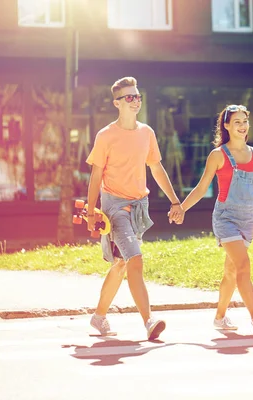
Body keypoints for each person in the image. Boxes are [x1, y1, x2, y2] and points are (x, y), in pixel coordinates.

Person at [85, 77, 184, 340]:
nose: (135, 101)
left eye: (138, 96)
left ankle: (99, 317)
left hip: (139, 206)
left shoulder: (146, 133)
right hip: (114, 206)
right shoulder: (106, 135)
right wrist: (91, 211)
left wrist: (175, 201)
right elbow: (96, 175)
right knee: (135, 259)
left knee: (120, 264)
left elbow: (156, 168)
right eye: (129, 97)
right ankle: (149, 321)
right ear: (117, 103)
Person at [177, 104, 253, 332]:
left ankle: (220, 318)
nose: (242, 126)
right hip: (225, 217)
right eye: (236, 122)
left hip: (247, 219)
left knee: (231, 271)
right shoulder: (218, 155)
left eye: (244, 121)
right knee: (243, 265)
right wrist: (182, 208)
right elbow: (201, 188)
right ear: (226, 126)